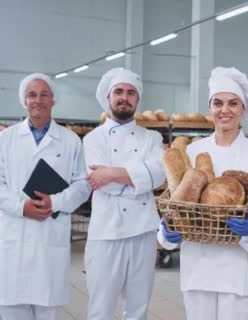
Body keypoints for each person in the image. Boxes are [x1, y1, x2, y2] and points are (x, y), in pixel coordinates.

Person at [158, 67, 248, 320]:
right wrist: (166, 230)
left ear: (243, 109)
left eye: (233, 103)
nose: (225, 110)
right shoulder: (192, 151)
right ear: (210, 108)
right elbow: (174, 201)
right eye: (218, 103)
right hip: (199, 266)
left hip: (241, 270)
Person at [0, 73, 92, 320]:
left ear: (53, 100)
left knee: (47, 309)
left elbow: (83, 185)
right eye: (32, 94)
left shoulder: (70, 140)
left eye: (44, 94)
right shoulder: (5, 139)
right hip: (15, 235)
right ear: (24, 101)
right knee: (11, 309)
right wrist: (21, 207)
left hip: (49, 239)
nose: (38, 100)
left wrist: (56, 202)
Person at [82, 67, 166, 320]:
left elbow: (159, 176)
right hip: (106, 232)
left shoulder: (151, 137)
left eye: (131, 93)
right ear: (108, 98)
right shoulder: (92, 139)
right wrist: (135, 177)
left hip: (143, 230)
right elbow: (101, 182)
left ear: (137, 99)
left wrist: (111, 172)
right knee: (101, 308)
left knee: (138, 308)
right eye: (118, 91)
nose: (124, 97)